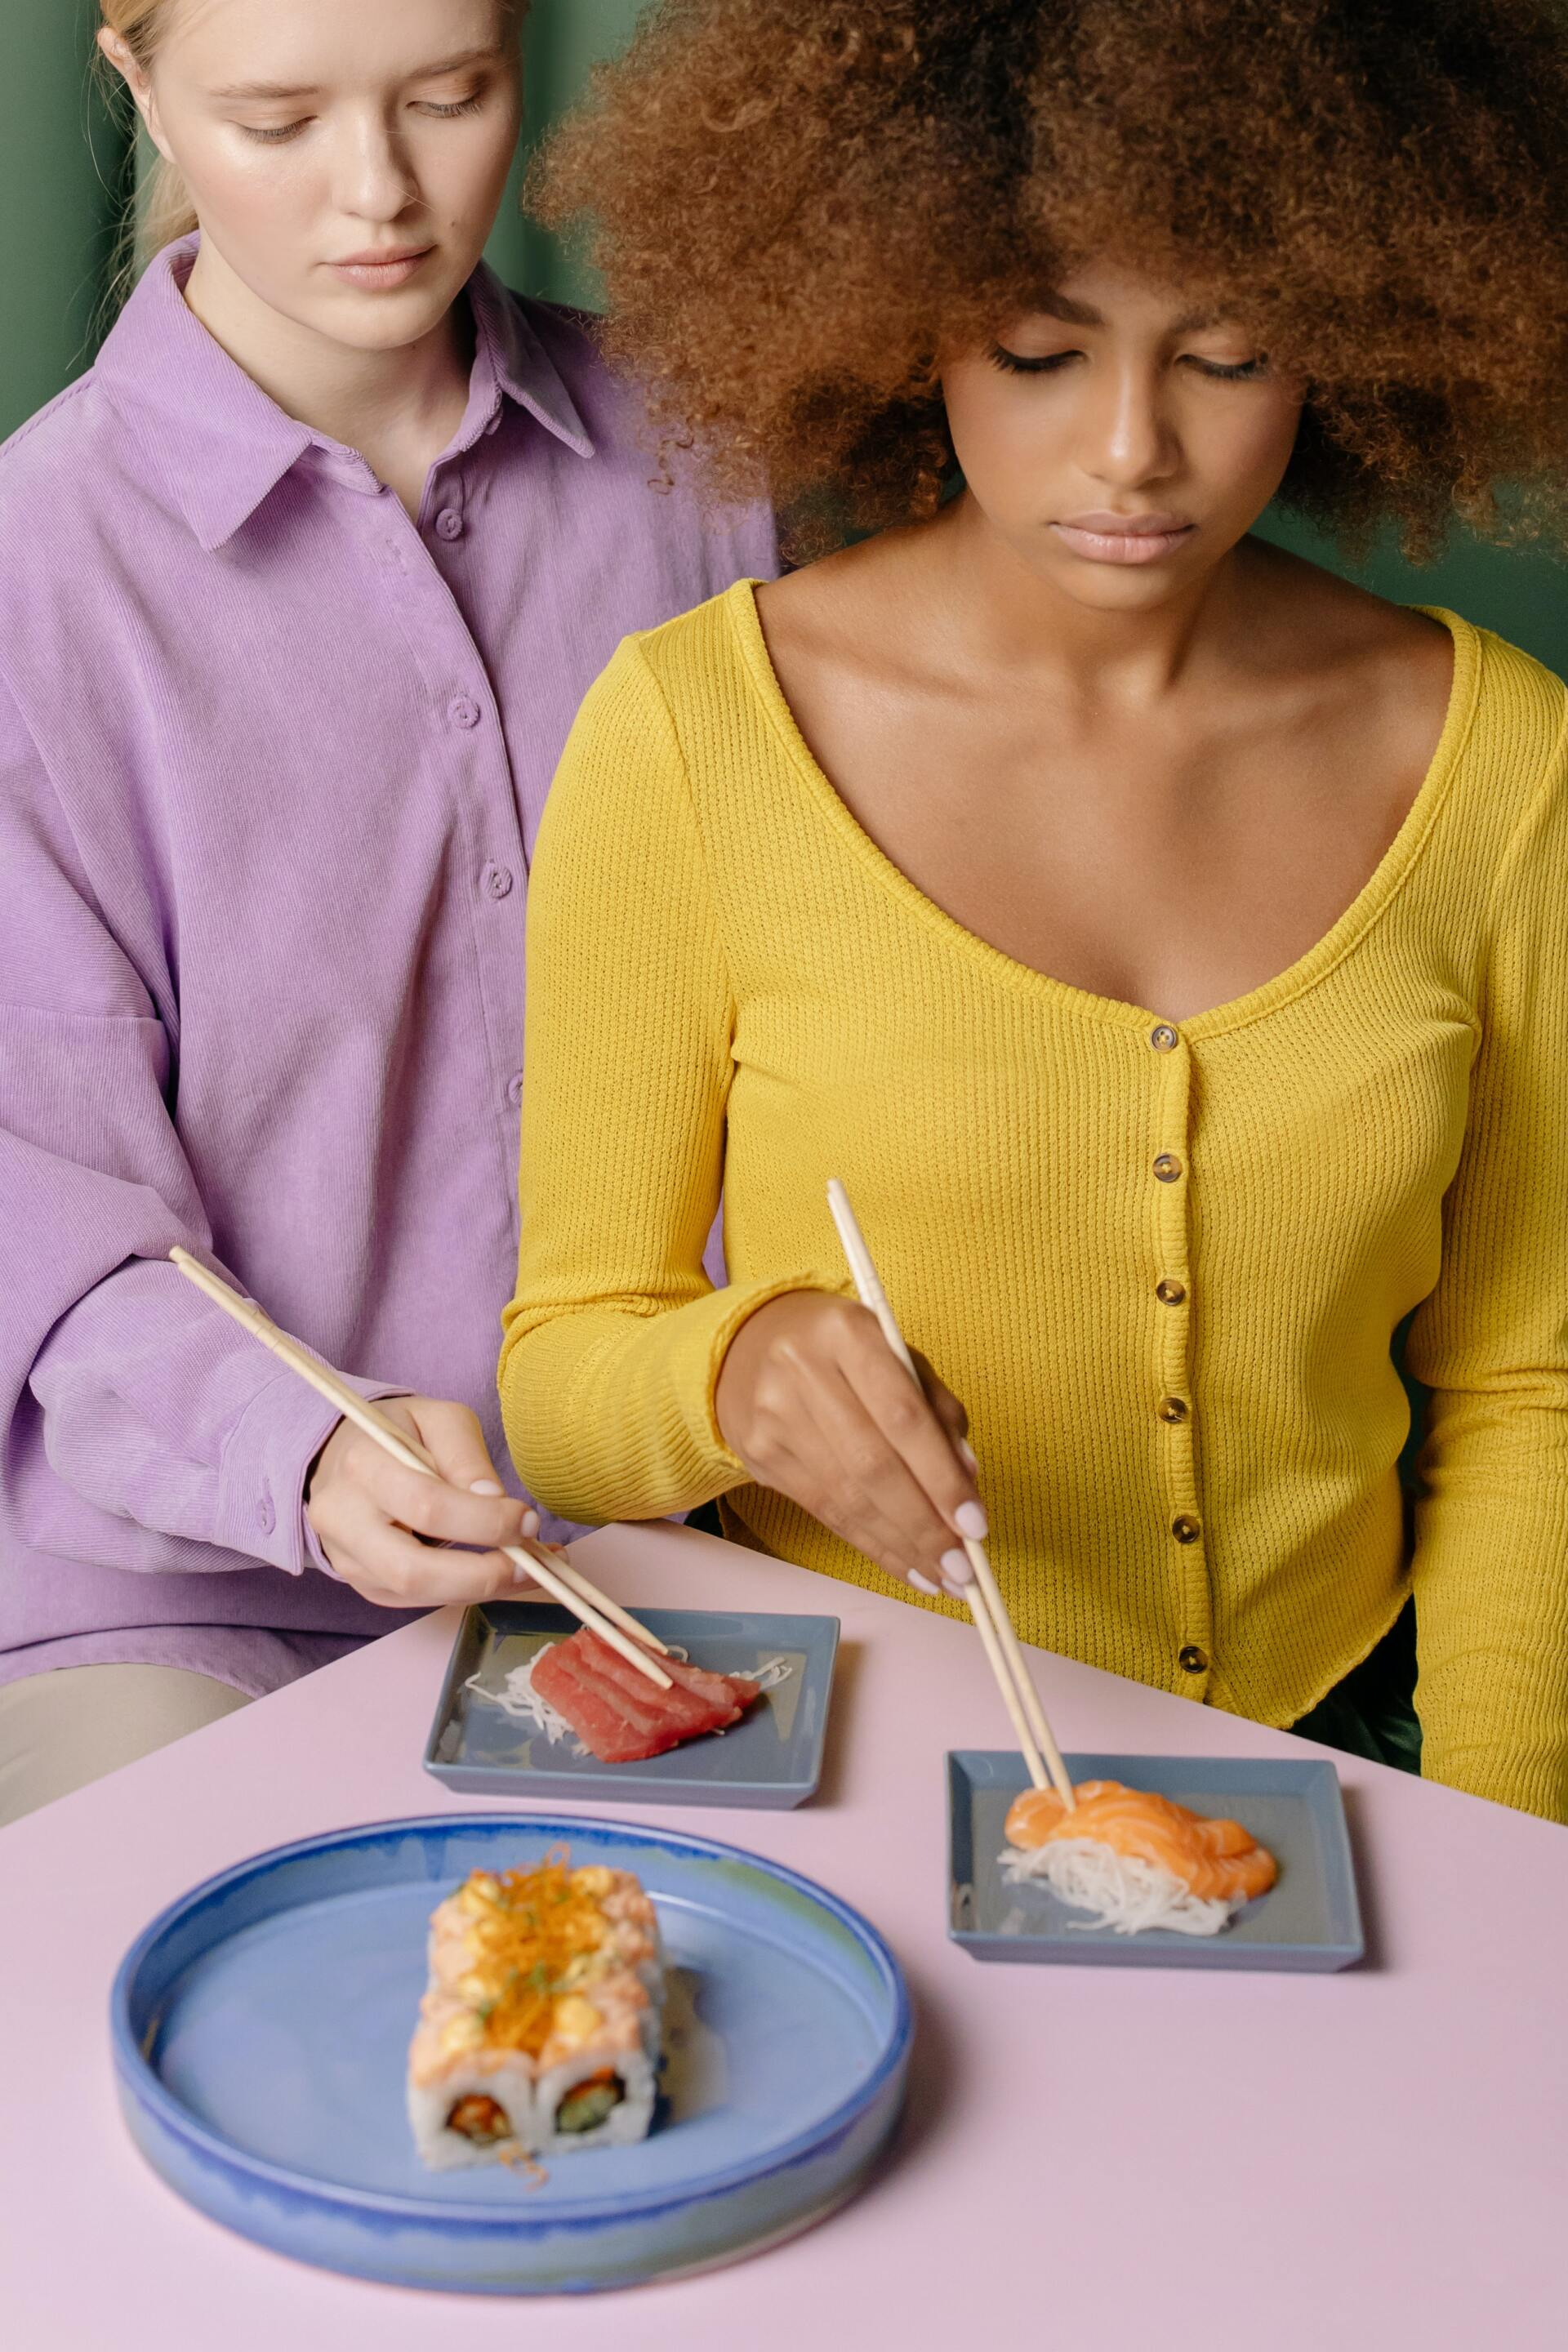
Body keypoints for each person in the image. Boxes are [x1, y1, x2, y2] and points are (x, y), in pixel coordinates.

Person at [501, 0, 1568, 1820]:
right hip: (848, 1760)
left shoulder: (1502, 759)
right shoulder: (695, 731)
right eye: (1041, 351)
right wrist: (733, 1368)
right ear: (912, 317)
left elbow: (1524, 1385)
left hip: (1359, 1754)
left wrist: (1506, 1851)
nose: (1134, 449)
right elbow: (562, 1375)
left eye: (1230, 356)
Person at [0, 0, 773, 1824]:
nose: (383, 193)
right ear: (141, 88)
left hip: (673, 1542)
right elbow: (34, 1192)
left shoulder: (712, 450)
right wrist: (302, 1453)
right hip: (191, 1591)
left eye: (450, 98)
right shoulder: (34, 574)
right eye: (277, 119)